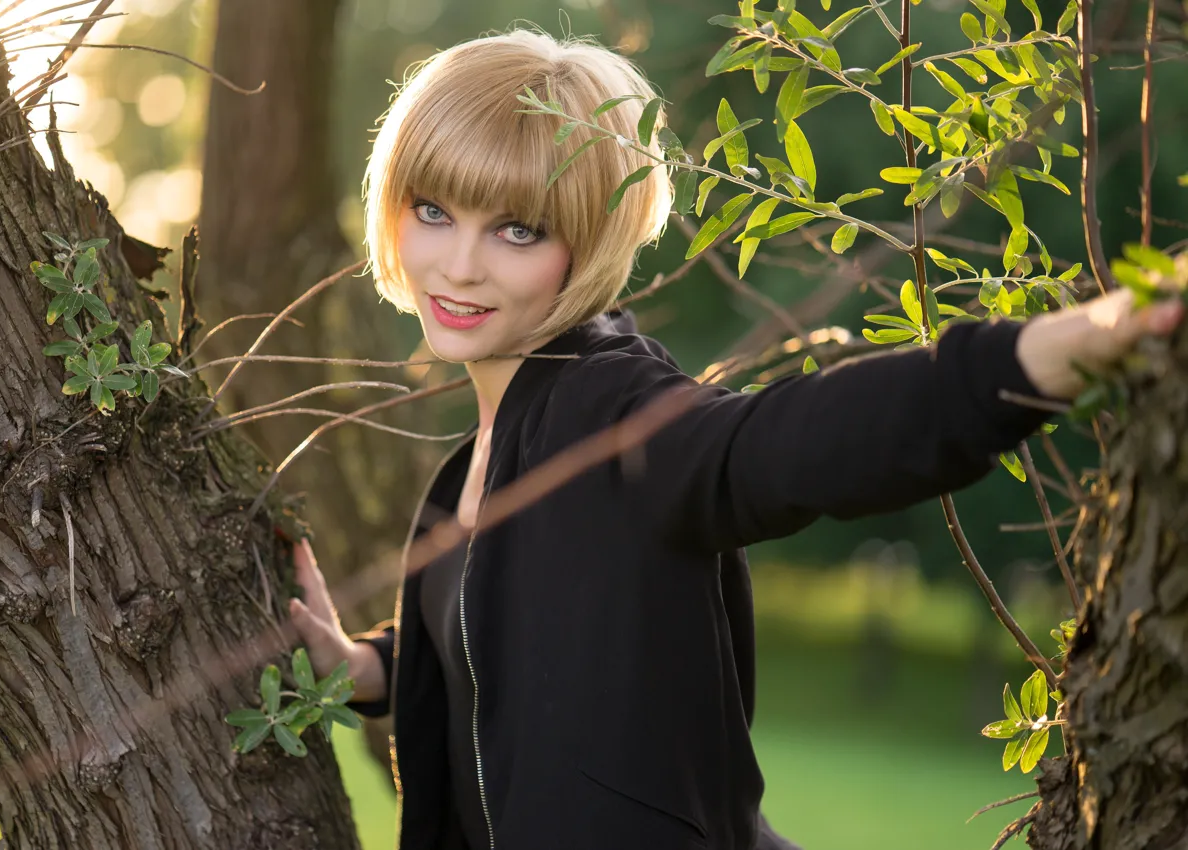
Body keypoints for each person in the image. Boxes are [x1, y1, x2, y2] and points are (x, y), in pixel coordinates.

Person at [282, 27, 1183, 850]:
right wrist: (369, 667)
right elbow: (509, 624)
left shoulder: (606, 410)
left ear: (589, 242)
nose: (462, 263)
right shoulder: (480, 452)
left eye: (518, 229)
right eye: (434, 210)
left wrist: (1049, 352)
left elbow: (774, 445)